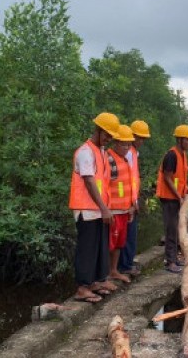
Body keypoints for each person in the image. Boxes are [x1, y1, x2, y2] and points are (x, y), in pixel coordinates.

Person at [69, 112, 121, 303]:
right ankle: (82, 288)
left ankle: (96, 281)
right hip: (86, 208)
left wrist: (106, 208)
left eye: (111, 136)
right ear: (98, 130)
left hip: (98, 208)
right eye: (106, 135)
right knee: (87, 248)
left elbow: (104, 182)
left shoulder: (100, 151)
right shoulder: (85, 151)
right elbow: (89, 181)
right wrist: (105, 208)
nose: (108, 139)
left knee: (99, 246)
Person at [156, 124, 188, 273]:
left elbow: (180, 178)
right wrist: (179, 196)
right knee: (171, 229)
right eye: (187, 139)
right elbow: (167, 177)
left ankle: (174, 258)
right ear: (179, 139)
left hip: (176, 197)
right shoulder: (171, 155)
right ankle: (170, 261)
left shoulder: (183, 155)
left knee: (176, 229)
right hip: (169, 198)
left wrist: (186, 190)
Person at [118, 120, 150, 276]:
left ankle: (127, 263)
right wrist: (133, 202)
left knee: (130, 234)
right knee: (128, 235)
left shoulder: (134, 153)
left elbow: (134, 179)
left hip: (131, 200)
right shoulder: (129, 153)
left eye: (143, 138)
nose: (141, 141)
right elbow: (127, 180)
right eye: (139, 137)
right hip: (127, 202)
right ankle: (125, 265)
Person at [106, 125, 135, 284]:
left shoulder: (124, 159)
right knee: (110, 243)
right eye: (124, 144)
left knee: (119, 243)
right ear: (116, 142)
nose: (126, 147)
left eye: (129, 144)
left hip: (124, 210)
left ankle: (114, 270)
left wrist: (131, 206)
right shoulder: (109, 158)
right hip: (112, 211)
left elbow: (128, 185)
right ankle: (106, 273)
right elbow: (103, 185)